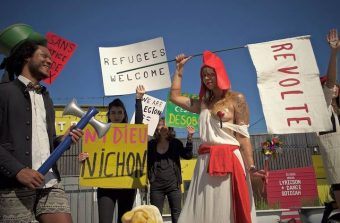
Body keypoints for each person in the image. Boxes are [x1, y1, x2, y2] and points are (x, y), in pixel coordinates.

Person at [170, 51, 266, 223]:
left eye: (211, 73)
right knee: (202, 210)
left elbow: (243, 137)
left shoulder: (237, 98)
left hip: (228, 160)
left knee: (225, 208)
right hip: (205, 162)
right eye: (204, 75)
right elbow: (174, 96)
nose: (207, 78)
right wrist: (179, 70)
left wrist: (251, 166)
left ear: (219, 73)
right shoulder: (202, 103)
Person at [0, 40, 83, 222]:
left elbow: (49, 140)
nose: (50, 61)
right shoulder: (4, 92)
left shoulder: (46, 98)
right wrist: (17, 171)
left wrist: (63, 140)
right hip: (13, 185)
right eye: (44, 56)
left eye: (51, 58)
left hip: (50, 182)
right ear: (27, 57)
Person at [79, 85, 145, 223]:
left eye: (119, 112)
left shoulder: (130, 133)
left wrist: (138, 100)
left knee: (124, 220)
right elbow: (93, 155)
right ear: (108, 115)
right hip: (106, 187)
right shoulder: (100, 133)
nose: (116, 115)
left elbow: (139, 125)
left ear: (124, 114)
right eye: (113, 112)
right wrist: (84, 158)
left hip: (126, 185)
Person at [147, 117, 194, 223]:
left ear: (169, 128)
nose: (163, 126)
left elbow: (188, 155)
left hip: (173, 185)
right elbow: (144, 161)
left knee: (176, 214)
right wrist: (149, 178)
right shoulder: (150, 145)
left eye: (165, 124)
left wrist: (190, 138)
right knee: (155, 215)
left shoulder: (176, 143)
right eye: (160, 124)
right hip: (156, 187)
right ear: (156, 128)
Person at [318, 28, 340, 215]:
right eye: (327, 86)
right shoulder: (323, 108)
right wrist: (334, 53)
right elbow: (331, 80)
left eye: (333, 86)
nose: (332, 88)